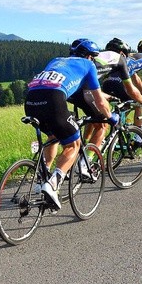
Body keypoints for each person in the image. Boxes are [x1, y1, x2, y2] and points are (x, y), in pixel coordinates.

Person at [25, 39, 118, 210]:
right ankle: (53, 185)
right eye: (93, 58)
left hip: (30, 100)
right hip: (53, 99)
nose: (94, 61)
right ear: (89, 56)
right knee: (73, 145)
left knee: (53, 136)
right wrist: (111, 118)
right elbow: (99, 100)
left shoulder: (56, 60)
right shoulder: (88, 65)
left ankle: (42, 178)